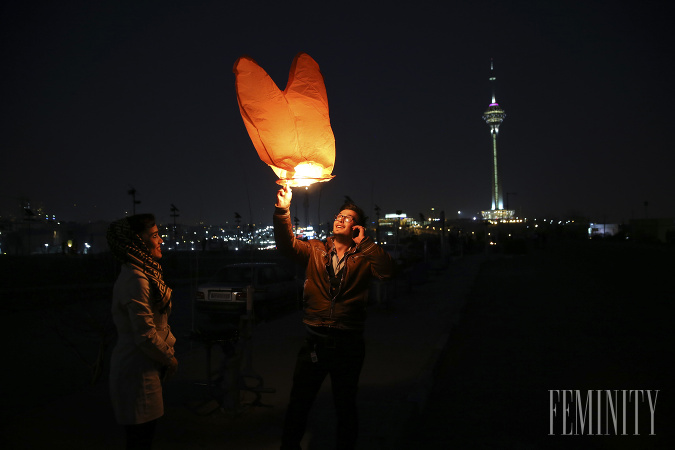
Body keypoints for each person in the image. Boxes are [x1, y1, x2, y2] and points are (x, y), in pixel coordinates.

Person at [274, 186, 394, 450]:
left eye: (348, 217)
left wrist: (366, 244)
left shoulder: (365, 256)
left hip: (348, 343)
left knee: (345, 406)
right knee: (299, 404)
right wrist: (283, 210)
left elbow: (387, 272)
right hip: (314, 341)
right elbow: (285, 245)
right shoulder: (316, 249)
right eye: (339, 215)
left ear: (357, 228)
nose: (340, 218)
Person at [106, 214, 178, 450]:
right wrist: (170, 358)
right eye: (154, 235)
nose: (160, 241)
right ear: (137, 241)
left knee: (143, 436)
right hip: (136, 372)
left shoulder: (145, 274)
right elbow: (145, 334)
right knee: (140, 438)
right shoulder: (137, 280)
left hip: (145, 367)